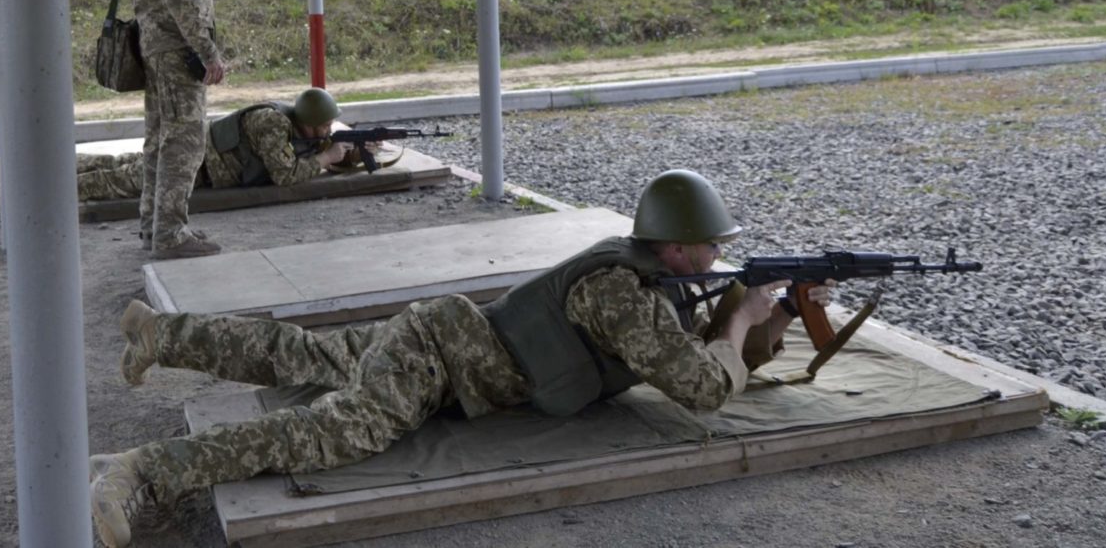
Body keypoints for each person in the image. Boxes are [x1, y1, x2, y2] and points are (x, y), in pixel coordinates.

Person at [88, 169, 833, 547]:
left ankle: (165, 333)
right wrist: (742, 317)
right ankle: (145, 469)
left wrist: (773, 314)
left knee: (305, 352)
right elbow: (702, 385)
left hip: (447, 341)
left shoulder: (643, 275)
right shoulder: (622, 293)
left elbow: (691, 353)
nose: (716, 254)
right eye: (711, 245)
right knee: (329, 433)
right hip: (440, 355)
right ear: (677, 247)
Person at [129, 0, 228, 259]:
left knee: (158, 138)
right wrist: (208, 52)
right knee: (184, 140)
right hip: (176, 49)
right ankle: (170, 234)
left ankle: (154, 225)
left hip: (154, 46)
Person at [76, 88, 357, 203]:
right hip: (194, 163)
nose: (327, 131)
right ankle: (58, 189)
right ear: (307, 121)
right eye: (323, 125)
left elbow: (309, 147)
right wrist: (325, 159)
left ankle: (67, 166)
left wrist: (352, 148)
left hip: (194, 150)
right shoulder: (274, 125)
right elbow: (285, 175)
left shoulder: (295, 124)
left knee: (121, 165)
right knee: (120, 182)